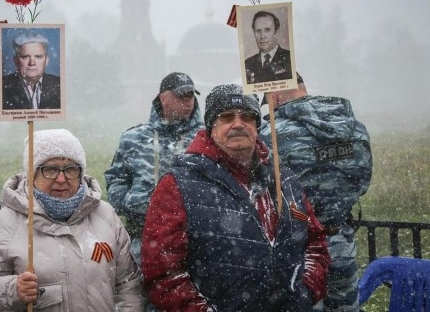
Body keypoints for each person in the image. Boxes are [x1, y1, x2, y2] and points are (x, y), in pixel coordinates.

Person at [141, 83, 330, 311]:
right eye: (227, 117)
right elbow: (163, 272)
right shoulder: (178, 185)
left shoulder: (284, 180)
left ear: (257, 126)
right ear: (211, 127)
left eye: (247, 117)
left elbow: (315, 244)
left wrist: (306, 291)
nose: (238, 124)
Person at [0, 129, 144, 311]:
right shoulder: (9, 220)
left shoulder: (105, 216)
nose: (61, 179)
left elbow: (128, 285)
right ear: (32, 174)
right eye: (50, 169)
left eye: (71, 169)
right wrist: (13, 290)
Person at [260, 73, 373, 312]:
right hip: (341, 241)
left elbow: (263, 193)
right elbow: (362, 183)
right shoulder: (353, 127)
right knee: (344, 306)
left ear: (275, 94)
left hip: (300, 248)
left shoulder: (272, 134)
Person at [105, 71, 204, 266]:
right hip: (141, 241)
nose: (188, 101)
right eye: (181, 96)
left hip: (192, 241)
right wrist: (130, 202)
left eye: (191, 96)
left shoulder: (205, 138)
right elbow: (115, 180)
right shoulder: (133, 138)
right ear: (163, 98)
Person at [2, 31, 61, 110]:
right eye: (25, 56)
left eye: (38, 56)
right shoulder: (2, 86)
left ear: (46, 60)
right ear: (16, 60)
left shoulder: (60, 85)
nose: (32, 63)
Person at [245, 10, 292, 84]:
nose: (262, 36)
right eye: (258, 31)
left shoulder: (290, 58)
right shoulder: (247, 64)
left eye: (267, 30)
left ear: (276, 32)